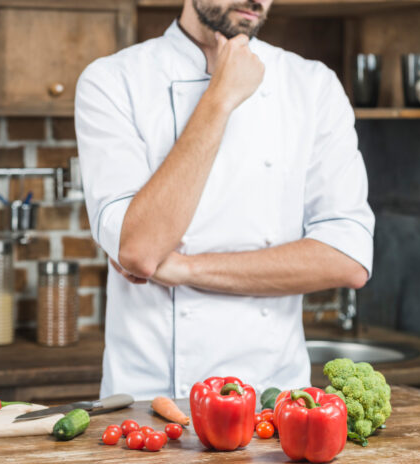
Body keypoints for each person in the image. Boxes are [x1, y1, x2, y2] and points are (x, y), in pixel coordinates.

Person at [74, 0, 374, 400]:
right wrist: (220, 98)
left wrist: (184, 269)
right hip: (151, 405)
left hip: (276, 404)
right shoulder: (113, 80)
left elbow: (348, 258)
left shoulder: (312, 85)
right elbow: (142, 251)